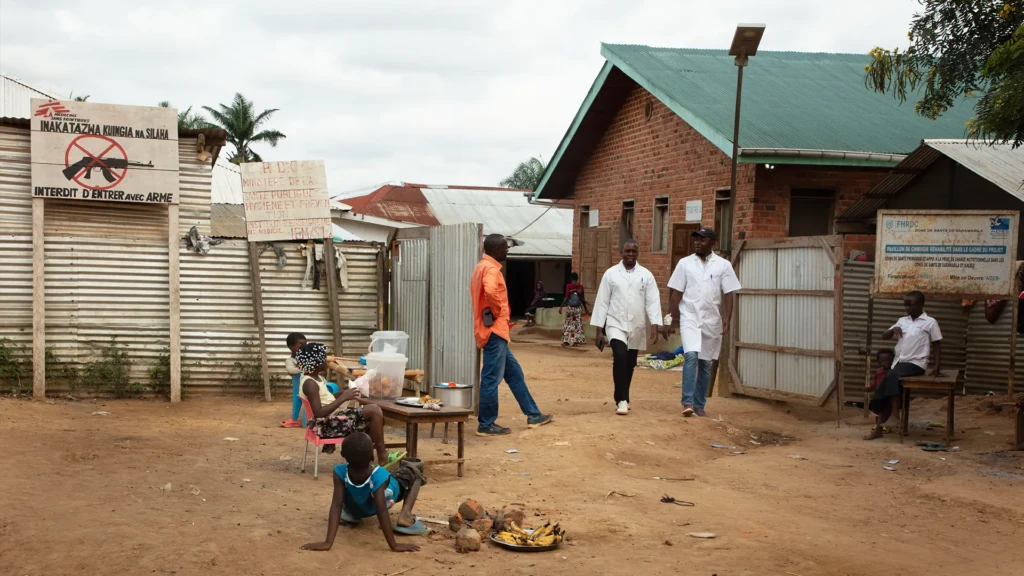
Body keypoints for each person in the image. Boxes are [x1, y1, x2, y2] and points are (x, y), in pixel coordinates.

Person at [470, 233, 553, 436]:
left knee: (514, 374)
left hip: (493, 331)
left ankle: (533, 414)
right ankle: (486, 424)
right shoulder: (491, 269)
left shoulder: (480, 267)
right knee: (491, 378)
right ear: (496, 249)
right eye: (506, 248)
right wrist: (497, 310)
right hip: (494, 331)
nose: (507, 251)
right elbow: (490, 292)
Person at [301, 431, 426, 553]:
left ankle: (350, 515)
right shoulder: (379, 475)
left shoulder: (339, 472)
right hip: (379, 500)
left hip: (354, 509)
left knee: (364, 487)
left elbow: (336, 505)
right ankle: (405, 516)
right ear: (372, 457)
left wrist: (328, 542)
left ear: (343, 454)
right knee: (414, 472)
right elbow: (381, 510)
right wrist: (394, 545)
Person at [666, 227, 741, 418]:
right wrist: (669, 320)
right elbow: (676, 293)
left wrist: (727, 317)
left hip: (711, 320)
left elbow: (729, 293)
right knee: (691, 356)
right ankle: (687, 402)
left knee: (705, 363)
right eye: (696, 239)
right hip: (689, 316)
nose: (697, 242)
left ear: (712, 243)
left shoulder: (723, 265)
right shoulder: (685, 263)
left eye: (702, 239)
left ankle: (699, 405)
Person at [296, 343, 403, 467]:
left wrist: (343, 393)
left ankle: (363, 458)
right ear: (316, 363)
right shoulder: (310, 384)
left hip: (332, 419)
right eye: (324, 358)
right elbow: (318, 413)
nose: (327, 360)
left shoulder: (315, 378)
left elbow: (325, 399)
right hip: (326, 425)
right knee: (374, 411)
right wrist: (343, 397)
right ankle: (382, 456)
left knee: (376, 420)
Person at [590, 240, 663, 415]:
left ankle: (623, 396)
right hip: (615, 322)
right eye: (627, 251)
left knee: (630, 363)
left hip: (637, 325)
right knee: (620, 356)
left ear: (638, 253)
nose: (630, 254)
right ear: (621, 252)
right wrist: (599, 331)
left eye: (633, 251)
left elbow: (653, 302)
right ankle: (621, 399)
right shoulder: (611, 274)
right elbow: (602, 302)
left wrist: (655, 326)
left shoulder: (646, 275)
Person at [866, 291, 942, 440]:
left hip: (916, 363)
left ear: (921, 304)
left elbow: (937, 345)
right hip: (899, 363)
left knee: (892, 375)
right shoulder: (902, 321)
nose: (907, 308)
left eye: (910, 305)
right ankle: (878, 429)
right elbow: (884, 336)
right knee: (882, 394)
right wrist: (893, 330)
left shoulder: (930, 322)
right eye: (905, 305)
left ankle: (895, 414)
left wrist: (937, 366)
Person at [281, 332, 307, 428]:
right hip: (298, 386)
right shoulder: (290, 361)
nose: (303, 349)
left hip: (307, 386)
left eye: (305, 346)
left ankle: (306, 421)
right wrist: (304, 368)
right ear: (291, 347)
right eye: (300, 347)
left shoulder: (306, 358)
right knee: (297, 403)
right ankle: (294, 419)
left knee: (307, 403)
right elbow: (291, 370)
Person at [559, 273, 589, 346]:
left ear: (570, 279)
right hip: (578, 309)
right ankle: (576, 341)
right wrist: (586, 310)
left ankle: (566, 341)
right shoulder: (580, 287)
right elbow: (583, 299)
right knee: (577, 325)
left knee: (568, 324)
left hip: (570, 308)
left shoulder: (569, 286)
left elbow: (566, 297)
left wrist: (561, 307)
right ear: (577, 279)